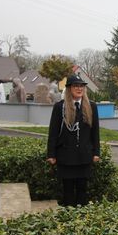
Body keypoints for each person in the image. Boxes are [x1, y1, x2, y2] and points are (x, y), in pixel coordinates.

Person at [46, 74, 100, 207]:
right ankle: (69, 219)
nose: (79, 88)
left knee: (82, 189)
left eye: (81, 86)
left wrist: (96, 152)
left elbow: (95, 131)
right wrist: (51, 154)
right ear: (69, 88)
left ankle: (81, 220)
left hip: (84, 156)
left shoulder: (91, 106)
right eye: (76, 86)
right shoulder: (60, 107)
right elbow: (53, 132)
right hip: (66, 157)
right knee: (68, 190)